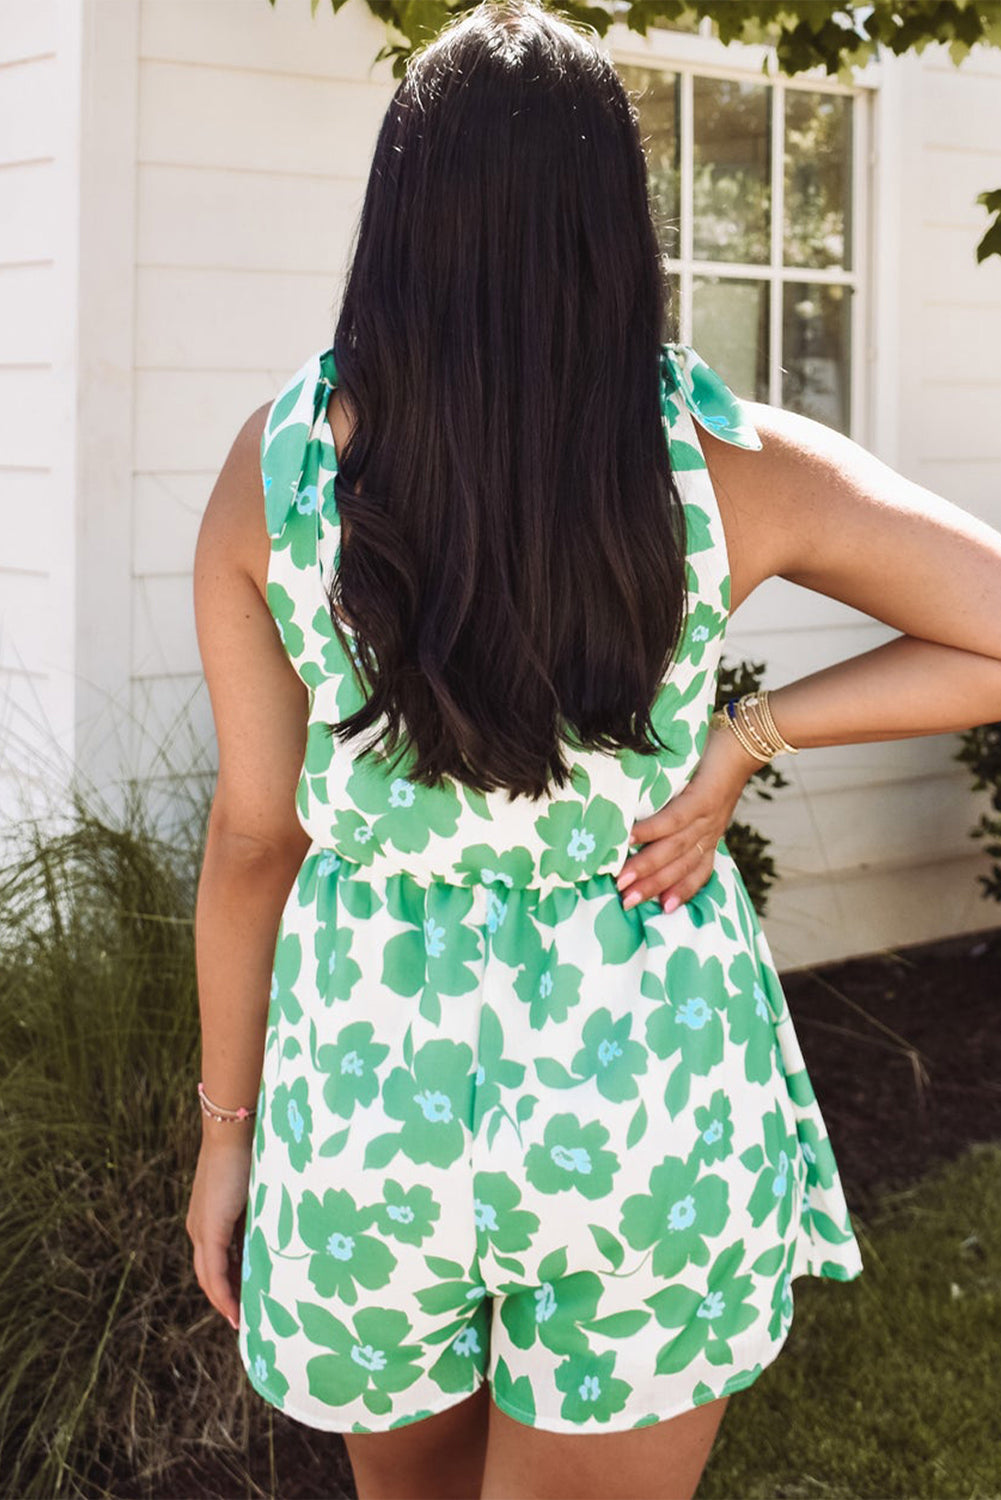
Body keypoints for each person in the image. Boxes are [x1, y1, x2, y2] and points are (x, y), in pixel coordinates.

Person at [185, 2, 1001, 1496]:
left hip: (371, 1097)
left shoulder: (279, 468)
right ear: (611, 225)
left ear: (402, 216)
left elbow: (253, 841)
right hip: (640, 1098)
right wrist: (746, 737)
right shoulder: (720, 463)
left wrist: (224, 1137)